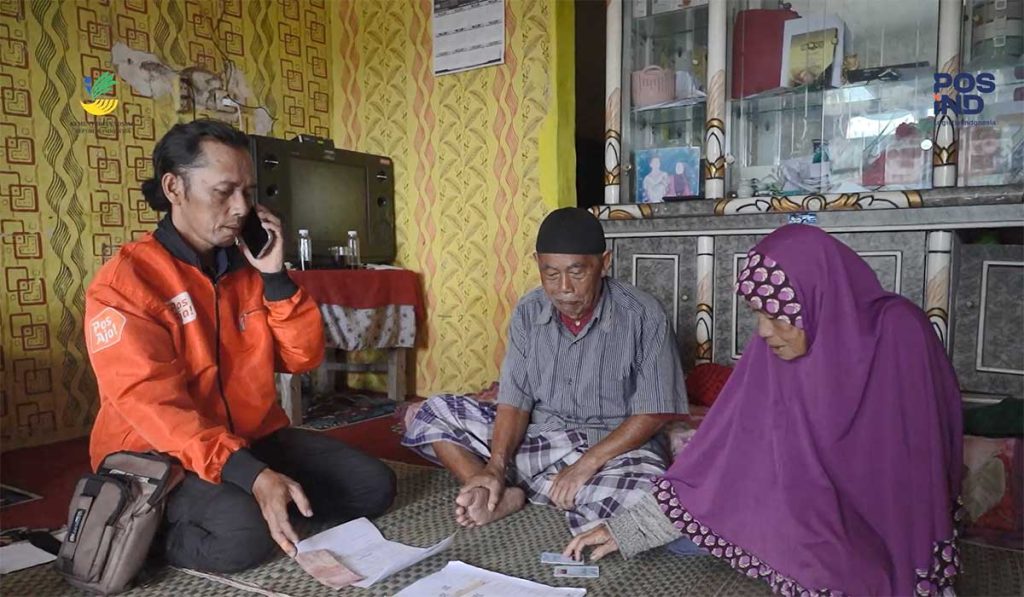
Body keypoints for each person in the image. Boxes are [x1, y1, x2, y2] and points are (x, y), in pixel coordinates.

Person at [564, 224, 964, 596]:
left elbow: (922, 464)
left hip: (892, 518)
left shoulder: (899, 332)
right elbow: (724, 455)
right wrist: (630, 529)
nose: (764, 331)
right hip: (814, 522)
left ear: (817, 299)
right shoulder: (773, 353)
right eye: (758, 313)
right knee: (715, 534)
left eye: (775, 315)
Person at [85, 119, 396, 573]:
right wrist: (251, 476)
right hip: (159, 453)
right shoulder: (126, 284)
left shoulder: (249, 267)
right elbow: (153, 407)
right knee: (242, 537)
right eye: (224, 191)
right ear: (174, 187)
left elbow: (301, 357)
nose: (240, 208)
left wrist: (274, 277)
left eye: (248, 192)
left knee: (374, 486)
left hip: (250, 437)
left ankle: (263, 504)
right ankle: (138, 524)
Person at [403, 208, 687, 534]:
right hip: (538, 440)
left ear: (604, 262)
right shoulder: (528, 310)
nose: (563, 287)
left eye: (577, 272)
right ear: (537, 263)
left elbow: (653, 412)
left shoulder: (643, 314)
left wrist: (586, 464)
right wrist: (495, 466)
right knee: (434, 411)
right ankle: (490, 489)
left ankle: (530, 488)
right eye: (550, 274)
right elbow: (515, 399)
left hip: (610, 450)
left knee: (650, 500)